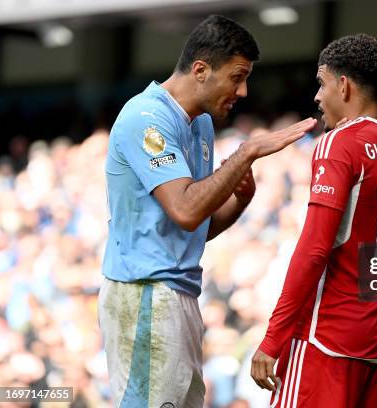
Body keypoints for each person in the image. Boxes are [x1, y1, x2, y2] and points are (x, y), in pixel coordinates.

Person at [98, 15, 316, 407]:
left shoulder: (200, 124)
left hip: (176, 293)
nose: (244, 90)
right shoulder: (147, 117)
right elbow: (184, 209)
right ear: (200, 70)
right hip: (145, 292)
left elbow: (194, 225)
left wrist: (241, 199)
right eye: (237, 76)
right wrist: (246, 153)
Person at [250, 34, 377, 407]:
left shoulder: (339, 143)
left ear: (343, 86)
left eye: (321, 83)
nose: (317, 96)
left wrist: (273, 338)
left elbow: (314, 249)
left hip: (327, 339)